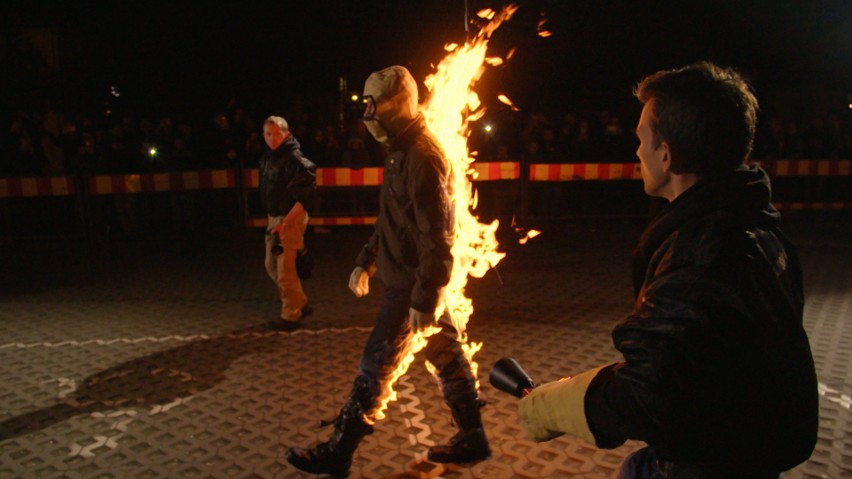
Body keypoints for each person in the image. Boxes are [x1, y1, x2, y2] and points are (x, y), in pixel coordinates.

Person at [517, 62, 818, 478]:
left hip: (709, 460)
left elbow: (649, 392)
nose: (637, 150)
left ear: (667, 152)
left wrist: (553, 405)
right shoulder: (753, 226)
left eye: (642, 138)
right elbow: (686, 356)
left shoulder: (702, 254)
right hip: (726, 446)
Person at [286, 65, 490, 476]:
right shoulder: (400, 150)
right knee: (445, 354)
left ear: (396, 104)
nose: (367, 112)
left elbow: (439, 236)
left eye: (372, 103)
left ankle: (339, 452)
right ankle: (472, 438)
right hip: (409, 282)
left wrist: (425, 296)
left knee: (375, 365)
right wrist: (366, 259)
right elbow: (392, 221)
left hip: (412, 287)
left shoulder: (423, 156)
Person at [259, 115, 316, 323]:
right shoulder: (268, 157)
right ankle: (299, 301)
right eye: (267, 134)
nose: (272, 138)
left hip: (290, 218)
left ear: (287, 134)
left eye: (276, 134)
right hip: (275, 218)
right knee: (271, 265)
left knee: (284, 269)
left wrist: (286, 222)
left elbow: (305, 198)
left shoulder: (295, 160)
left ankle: (291, 314)